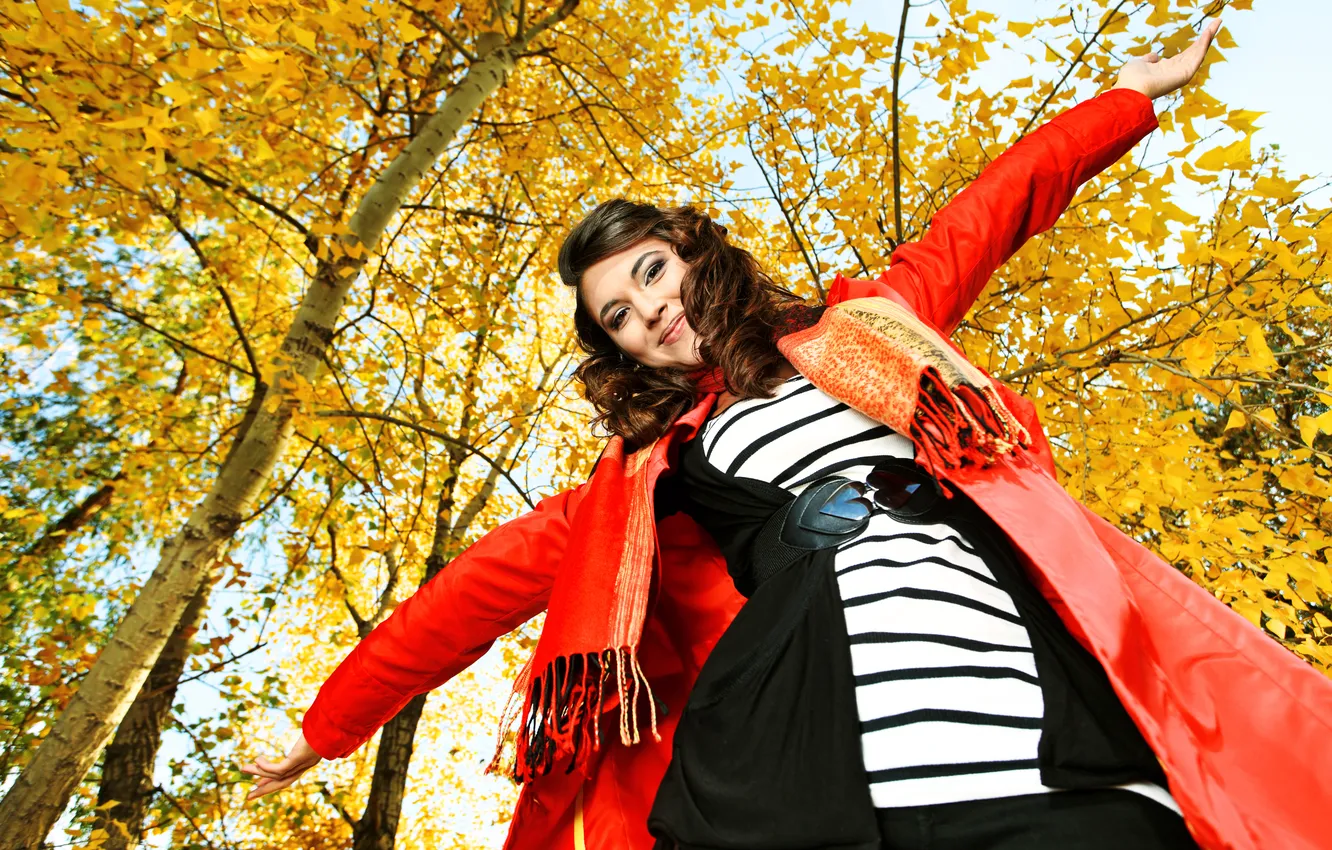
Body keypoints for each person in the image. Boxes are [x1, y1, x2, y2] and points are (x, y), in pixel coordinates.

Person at [242, 17, 1332, 850]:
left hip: (1017, 702)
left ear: (691, 249)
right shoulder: (641, 483)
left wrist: (1125, 99)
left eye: (650, 274)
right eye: (620, 317)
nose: (650, 313)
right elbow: (468, 595)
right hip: (816, 746)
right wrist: (325, 726)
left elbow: (989, 210)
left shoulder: (868, 325)